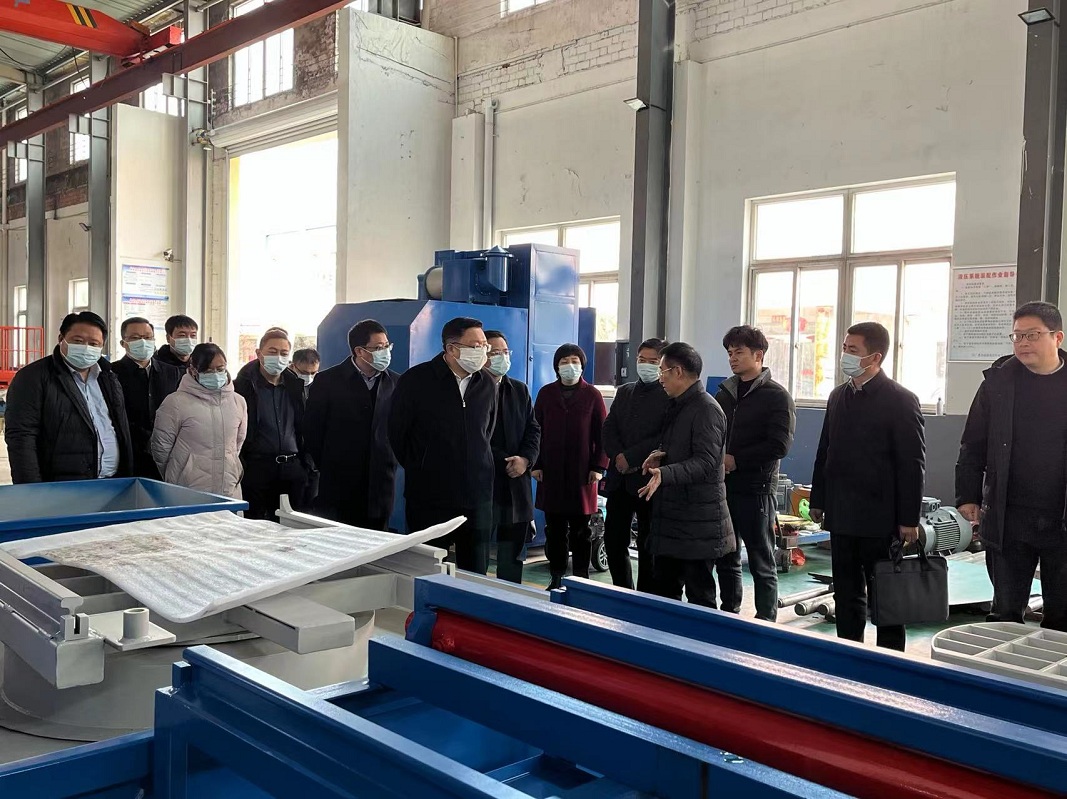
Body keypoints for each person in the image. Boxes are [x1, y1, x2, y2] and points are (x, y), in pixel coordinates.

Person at [810, 322, 925, 651]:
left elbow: (912, 464)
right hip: (841, 514)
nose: (845, 355)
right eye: (844, 348)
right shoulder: (838, 396)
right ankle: (849, 653)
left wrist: (909, 519)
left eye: (853, 350)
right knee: (846, 593)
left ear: (875, 357)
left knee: (885, 596)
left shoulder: (901, 400)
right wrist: (819, 499)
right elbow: (825, 452)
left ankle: (890, 660)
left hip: (881, 519)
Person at [957, 301, 1067, 632]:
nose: (1022, 343)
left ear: (1057, 337)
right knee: (1005, 612)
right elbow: (973, 441)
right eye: (1017, 336)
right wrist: (968, 495)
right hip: (1009, 516)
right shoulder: (999, 383)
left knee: (1062, 618)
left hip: (1062, 519)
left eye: (1032, 335)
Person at [388, 317, 496, 573]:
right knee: (429, 567)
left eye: (485, 346)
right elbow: (397, 433)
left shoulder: (487, 383)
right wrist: (421, 465)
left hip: (477, 494)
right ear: (451, 348)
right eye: (475, 346)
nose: (482, 351)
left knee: (475, 571)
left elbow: (486, 431)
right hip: (430, 495)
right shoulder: (416, 380)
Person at [638, 342, 734, 607]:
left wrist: (665, 473)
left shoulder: (706, 409)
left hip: (698, 525)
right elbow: (684, 450)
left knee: (699, 598)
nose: (659, 378)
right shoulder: (678, 405)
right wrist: (661, 455)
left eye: (662, 371)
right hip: (673, 520)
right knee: (664, 595)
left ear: (678, 371)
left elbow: (706, 462)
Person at [714, 325, 796, 621]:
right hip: (724, 487)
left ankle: (766, 620)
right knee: (727, 555)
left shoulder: (777, 397)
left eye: (739, 352)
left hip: (756, 489)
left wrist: (737, 460)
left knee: (761, 559)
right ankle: (729, 611)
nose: (732, 359)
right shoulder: (725, 394)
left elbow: (779, 445)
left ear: (758, 355)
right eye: (729, 353)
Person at [6, 311, 133, 483]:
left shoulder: (108, 376)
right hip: (60, 486)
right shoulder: (33, 377)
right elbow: (22, 436)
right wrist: (31, 490)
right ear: (61, 338)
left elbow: (119, 427)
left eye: (94, 343)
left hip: (112, 482)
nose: (86, 348)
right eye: (78, 341)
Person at [305, 320, 399, 530]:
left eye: (387, 346)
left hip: (381, 484)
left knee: (378, 541)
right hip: (339, 484)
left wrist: (389, 458)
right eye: (378, 348)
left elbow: (401, 430)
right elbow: (312, 430)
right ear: (360, 351)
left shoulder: (395, 383)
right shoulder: (327, 381)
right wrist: (330, 463)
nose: (385, 352)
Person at [532, 344, 608, 590]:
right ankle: (556, 576)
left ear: (582, 365)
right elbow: (535, 431)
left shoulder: (592, 395)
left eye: (574, 361)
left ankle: (581, 579)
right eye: (564, 361)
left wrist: (598, 467)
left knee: (581, 531)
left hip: (583, 474)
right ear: (556, 366)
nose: (569, 366)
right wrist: (536, 463)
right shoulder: (546, 394)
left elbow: (603, 434)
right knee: (554, 530)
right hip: (551, 472)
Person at [602, 337, 669, 591]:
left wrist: (631, 458)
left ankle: (644, 595)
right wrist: (617, 456)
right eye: (642, 360)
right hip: (619, 480)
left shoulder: (669, 395)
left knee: (647, 543)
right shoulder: (625, 391)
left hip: (647, 480)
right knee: (614, 539)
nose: (646, 365)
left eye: (653, 361)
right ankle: (622, 590)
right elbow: (609, 428)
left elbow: (663, 436)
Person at [151, 343, 247, 498]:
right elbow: (161, 448)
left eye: (220, 369)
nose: (215, 374)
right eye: (208, 371)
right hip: (187, 490)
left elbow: (237, 443)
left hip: (228, 487)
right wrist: (179, 474)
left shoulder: (238, 402)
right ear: (193, 370)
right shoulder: (175, 402)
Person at [234, 328, 310, 520]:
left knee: (293, 526)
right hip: (257, 468)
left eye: (284, 353)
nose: (278, 357)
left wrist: (306, 465)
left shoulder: (296, 387)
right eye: (272, 352)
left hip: (292, 468)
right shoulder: (243, 386)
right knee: (256, 524)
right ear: (259, 353)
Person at [484, 330, 540, 583]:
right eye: (495, 353)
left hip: (516, 483)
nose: (501, 358)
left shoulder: (519, 389)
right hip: (485, 482)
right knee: (477, 551)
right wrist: (505, 461)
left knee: (512, 553)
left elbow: (533, 429)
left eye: (505, 352)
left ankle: (510, 596)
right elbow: (474, 436)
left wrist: (525, 460)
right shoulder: (472, 390)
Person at [112, 317, 179, 480]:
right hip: (127, 454)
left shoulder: (172, 373)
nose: (143, 342)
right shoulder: (111, 373)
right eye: (135, 338)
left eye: (148, 337)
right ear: (123, 343)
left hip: (166, 455)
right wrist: (145, 438)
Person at [154, 315, 199, 393]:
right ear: (168, 338)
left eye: (193, 335)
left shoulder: (200, 363)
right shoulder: (156, 365)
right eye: (182, 335)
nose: (189, 340)